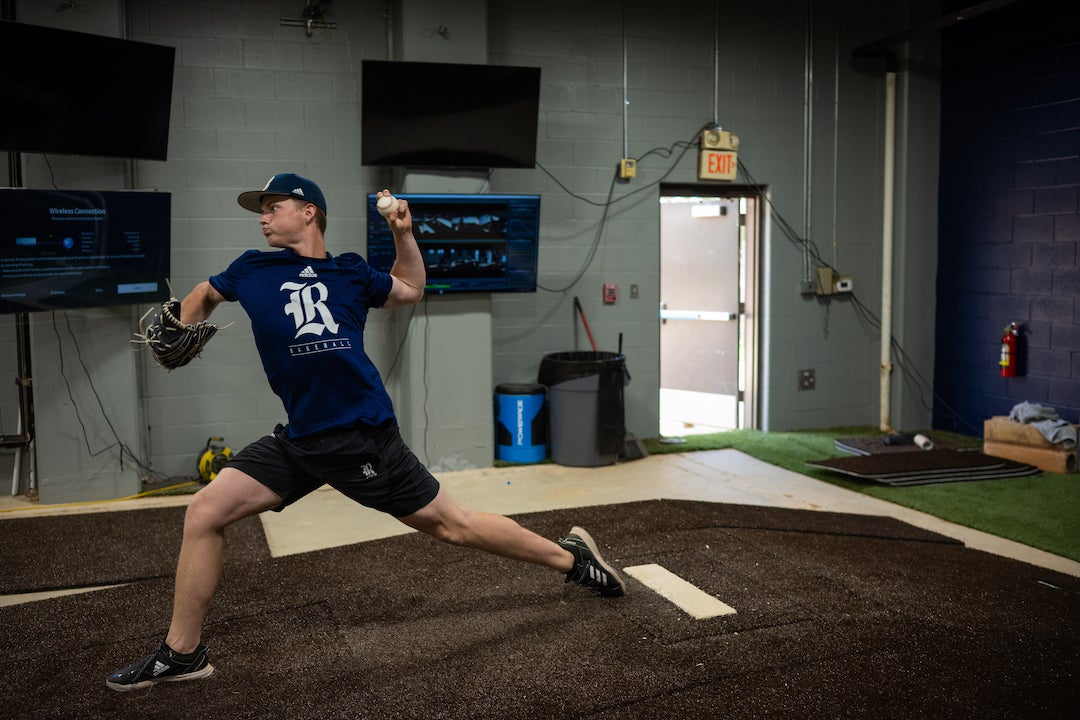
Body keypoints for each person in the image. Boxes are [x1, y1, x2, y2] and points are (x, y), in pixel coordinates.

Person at [106, 173, 625, 692]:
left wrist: (403, 232)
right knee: (204, 511)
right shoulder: (251, 267)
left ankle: (571, 559)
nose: (262, 217)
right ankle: (182, 653)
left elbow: (412, 289)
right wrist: (186, 317)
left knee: (453, 525)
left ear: (308, 212)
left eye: (272, 206)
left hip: (360, 436)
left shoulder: (352, 271)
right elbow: (205, 292)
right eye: (259, 210)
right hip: (301, 437)